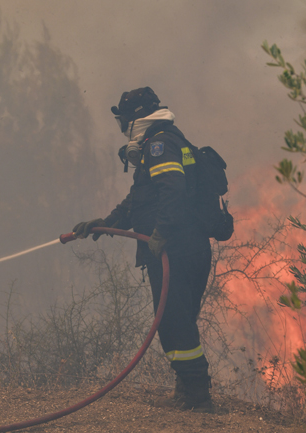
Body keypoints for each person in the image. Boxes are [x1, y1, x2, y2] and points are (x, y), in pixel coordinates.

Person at [72, 87, 213, 412]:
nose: (122, 129)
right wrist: (105, 223)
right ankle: (190, 392)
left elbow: (173, 191)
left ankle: (197, 398)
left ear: (135, 119)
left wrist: (162, 232)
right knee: (181, 321)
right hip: (189, 248)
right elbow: (141, 199)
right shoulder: (168, 140)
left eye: (123, 121)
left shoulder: (160, 145)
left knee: (173, 322)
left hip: (173, 251)